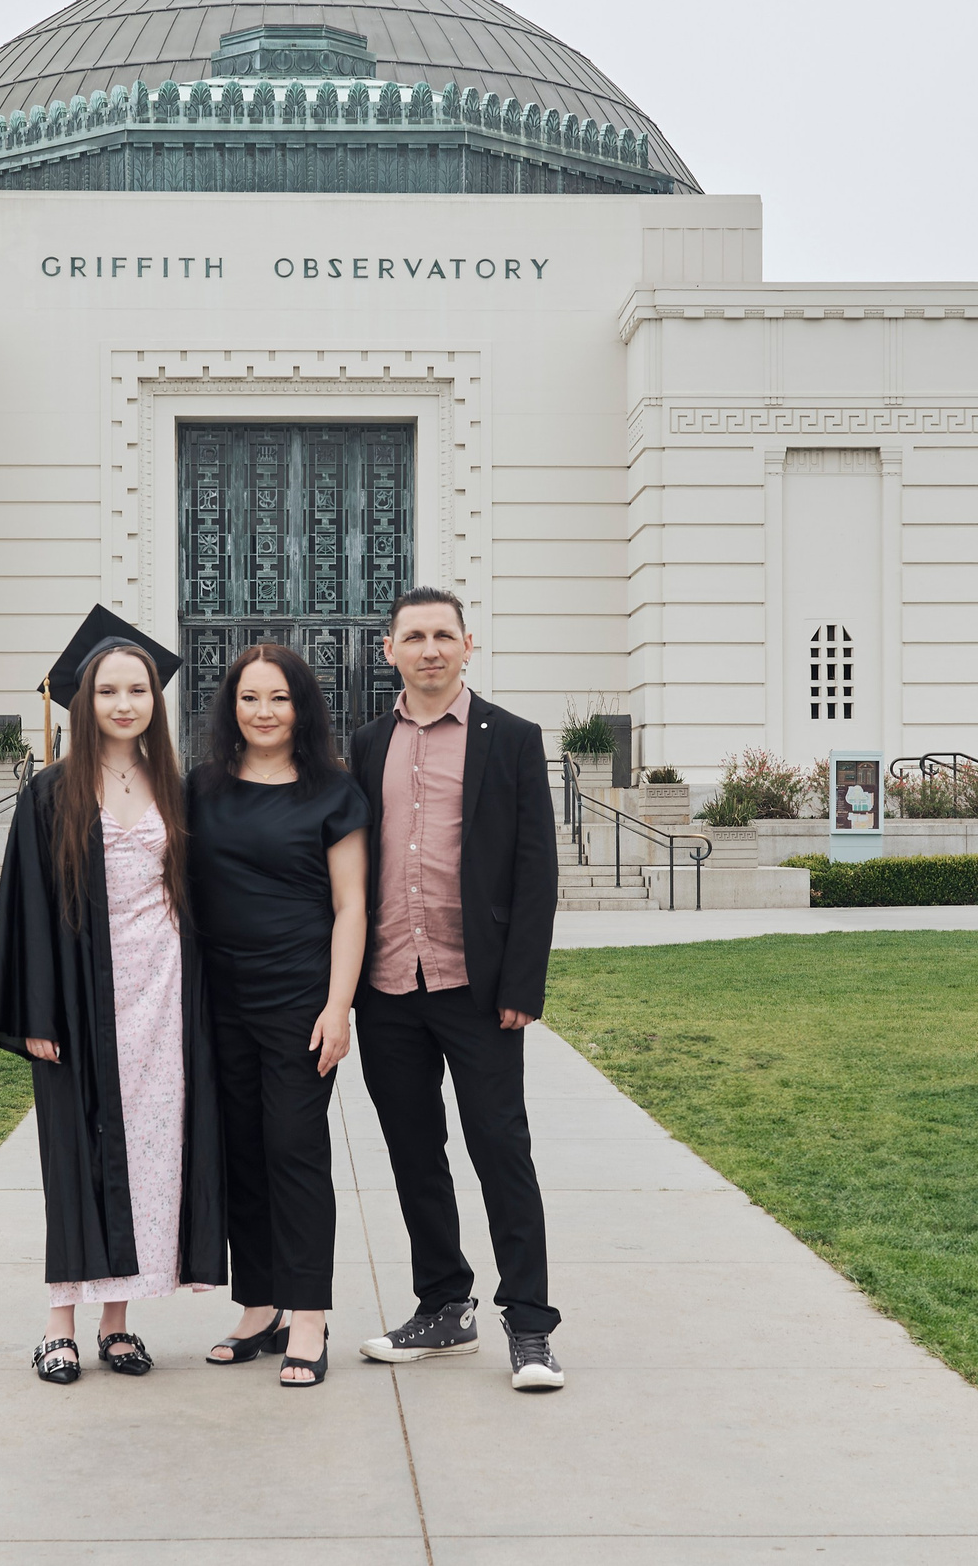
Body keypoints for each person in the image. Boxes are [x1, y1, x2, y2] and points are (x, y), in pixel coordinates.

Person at [0, 610, 224, 1385]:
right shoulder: (50, 791)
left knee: (151, 1160)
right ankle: (59, 1323)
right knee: (74, 1155)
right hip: (82, 999)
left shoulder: (173, 787)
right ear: (82, 700)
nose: (124, 703)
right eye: (108, 690)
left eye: (138, 689)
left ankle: (119, 1323)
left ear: (155, 697)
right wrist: (37, 1015)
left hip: (162, 995)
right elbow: (25, 909)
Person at [347, 587, 566, 1391]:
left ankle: (532, 1326)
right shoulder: (366, 744)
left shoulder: (509, 738)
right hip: (388, 985)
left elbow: (536, 871)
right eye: (415, 636)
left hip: (477, 988)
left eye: (444, 634)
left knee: (501, 1148)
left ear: (468, 645)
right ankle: (443, 1305)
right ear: (389, 649)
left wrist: (523, 985)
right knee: (414, 1152)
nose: (430, 648)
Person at [187, 643, 370, 1389]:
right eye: (249, 698)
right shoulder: (200, 788)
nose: (263, 712)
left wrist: (339, 1006)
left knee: (294, 1151)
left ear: (303, 707)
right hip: (217, 999)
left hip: (299, 998)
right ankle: (259, 1307)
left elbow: (352, 904)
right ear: (231, 707)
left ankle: (310, 1314)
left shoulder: (333, 792)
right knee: (241, 1154)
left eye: (279, 698)